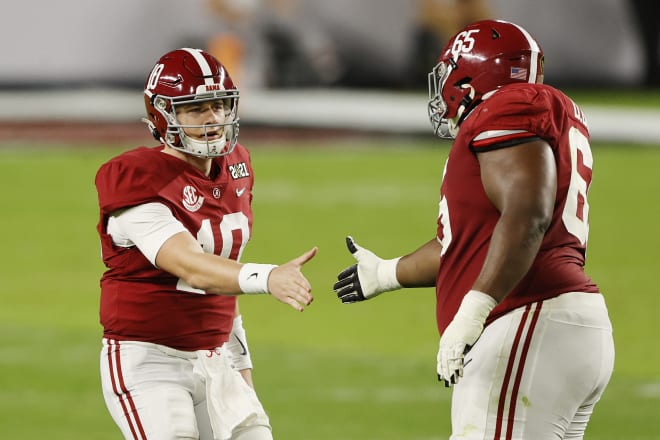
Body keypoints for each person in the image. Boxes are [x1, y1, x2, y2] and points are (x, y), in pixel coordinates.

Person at [333, 19, 614, 439]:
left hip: (527, 316)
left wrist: (472, 311)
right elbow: (467, 244)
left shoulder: (507, 106)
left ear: (471, 73)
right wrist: (388, 273)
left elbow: (527, 216)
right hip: (555, 324)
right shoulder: (535, 111)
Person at [95, 47, 317, 440]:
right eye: (196, 109)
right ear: (163, 115)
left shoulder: (236, 166)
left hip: (217, 357)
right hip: (150, 359)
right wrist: (268, 277)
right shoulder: (135, 176)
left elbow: (222, 279)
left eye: (218, 105)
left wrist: (241, 369)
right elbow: (190, 265)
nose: (213, 118)